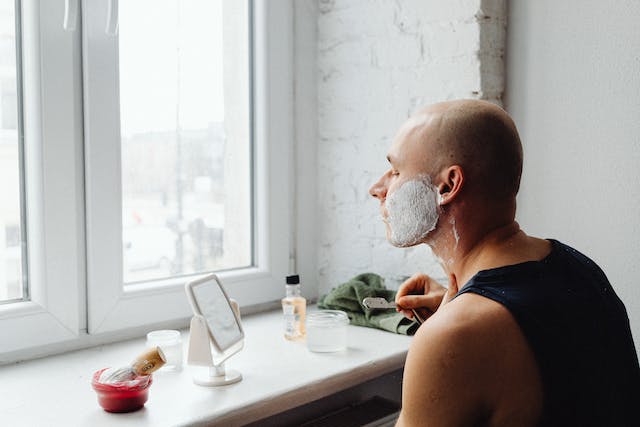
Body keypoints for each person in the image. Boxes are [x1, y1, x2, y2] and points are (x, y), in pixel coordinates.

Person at [369, 99, 639, 426]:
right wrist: (462, 304)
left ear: (447, 186)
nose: (377, 189)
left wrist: (452, 326)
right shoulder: (579, 268)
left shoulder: (455, 335)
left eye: (396, 171)